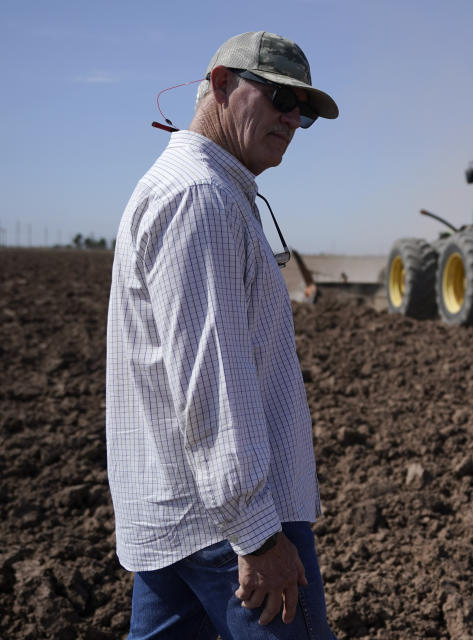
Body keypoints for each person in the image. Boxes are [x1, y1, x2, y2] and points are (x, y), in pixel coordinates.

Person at [106, 31, 339, 639]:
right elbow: (210, 380)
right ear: (219, 85)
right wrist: (259, 535)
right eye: (280, 96)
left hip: (177, 513)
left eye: (304, 110)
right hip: (229, 529)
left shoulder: (202, 188)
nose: (292, 117)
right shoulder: (200, 198)